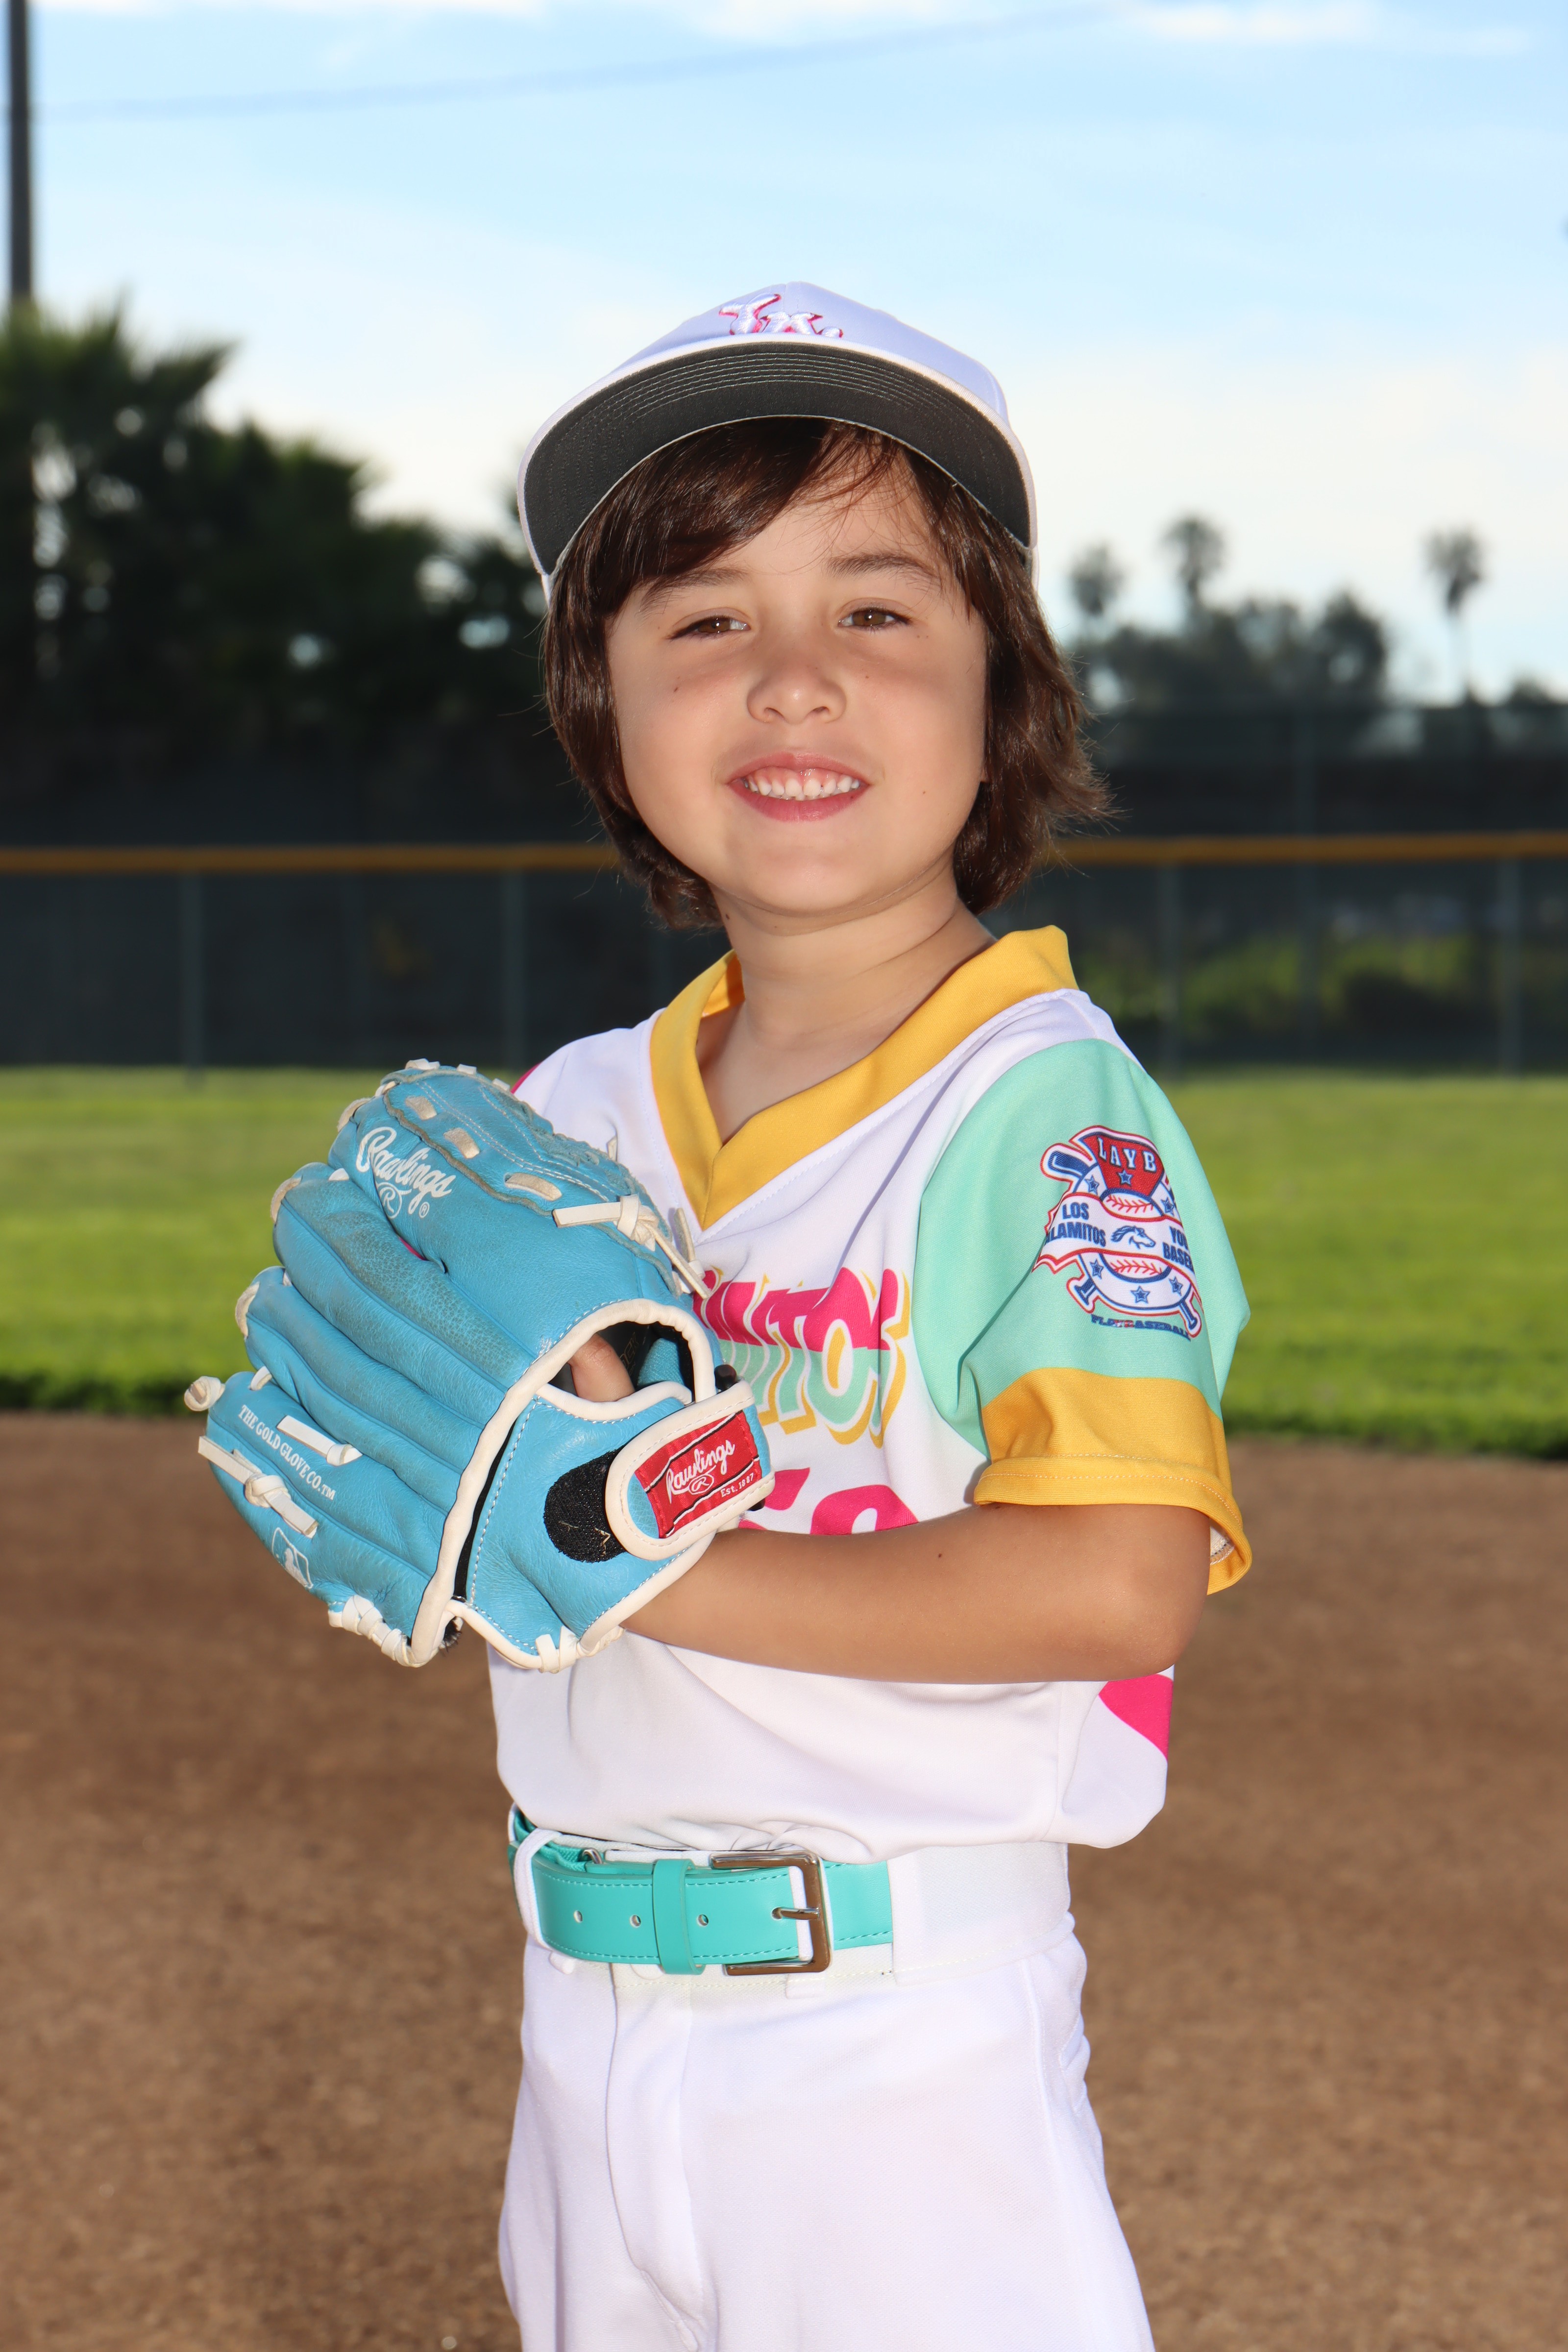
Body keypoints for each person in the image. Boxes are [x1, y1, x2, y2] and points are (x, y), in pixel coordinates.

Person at [488, 284, 1252, 2351]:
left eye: (878, 610)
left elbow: (1114, 1580)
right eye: (702, 620)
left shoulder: (1040, 1110)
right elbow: (478, 1524)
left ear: (1002, 692)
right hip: (578, 2028)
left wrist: (633, 1561)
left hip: (895, 2047)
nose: (791, 678)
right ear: (606, 715)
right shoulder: (567, 1121)